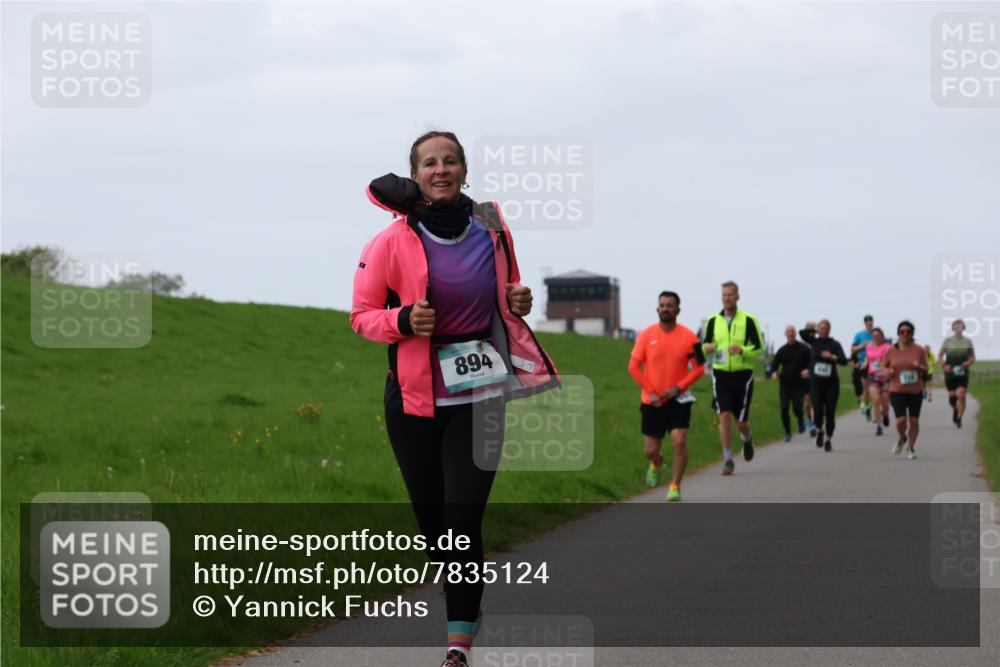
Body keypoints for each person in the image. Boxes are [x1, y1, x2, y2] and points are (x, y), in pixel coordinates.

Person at [351, 131, 559, 667]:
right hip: (413, 399)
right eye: (429, 163)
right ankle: (463, 596)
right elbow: (361, 316)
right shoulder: (389, 241)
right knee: (435, 527)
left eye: (450, 161)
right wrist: (402, 320)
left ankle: (457, 645)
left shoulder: (491, 226)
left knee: (462, 521)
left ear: (465, 170)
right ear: (415, 175)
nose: (440, 170)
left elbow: (509, 291)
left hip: (480, 393)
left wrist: (519, 299)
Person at [628, 291, 705, 501]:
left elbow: (699, 369)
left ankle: (675, 485)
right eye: (662, 305)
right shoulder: (646, 335)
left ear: (678, 310)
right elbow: (633, 367)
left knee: (679, 441)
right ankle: (655, 462)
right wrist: (651, 392)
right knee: (650, 450)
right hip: (652, 402)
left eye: (670, 305)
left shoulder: (690, 337)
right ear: (657, 309)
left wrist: (678, 387)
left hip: (678, 400)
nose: (665, 309)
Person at [701, 281, 765, 475]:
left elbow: (760, 349)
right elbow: (703, 347)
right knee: (724, 415)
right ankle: (728, 459)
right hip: (720, 373)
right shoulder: (712, 321)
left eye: (730, 294)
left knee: (741, 423)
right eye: (724, 295)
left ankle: (747, 438)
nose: (727, 298)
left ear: (737, 296)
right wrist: (707, 348)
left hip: (742, 375)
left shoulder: (749, 320)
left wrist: (742, 350)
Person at [800, 320, 849, 451]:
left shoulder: (835, 344)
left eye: (826, 328)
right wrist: (815, 330)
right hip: (816, 384)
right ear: (818, 330)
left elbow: (844, 361)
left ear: (829, 330)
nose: (824, 331)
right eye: (821, 328)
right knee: (817, 411)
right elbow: (802, 333)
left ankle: (828, 439)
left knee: (830, 412)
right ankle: (820, 431)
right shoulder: (814, 342)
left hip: (831, 384)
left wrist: (832, 357)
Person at [883, 320, 927, 460]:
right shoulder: (891, 350)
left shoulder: (919, 350)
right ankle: (902, 438)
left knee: (914, 421)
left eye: (908, 331)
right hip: (897, 389)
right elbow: (884, 366)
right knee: (901, 420)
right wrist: (888, 371)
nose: (905, 334)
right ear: (898, 333)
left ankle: (911, 448)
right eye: (902, 331)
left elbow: (926, 369)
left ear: (912, 333)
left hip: (915, 390)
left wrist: (919, 367)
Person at [769, 324, 812, 442]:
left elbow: (811, 362)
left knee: (797, 409)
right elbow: (774, 365)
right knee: (784, 408)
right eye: (788, 331)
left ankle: (800, 420)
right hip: (785, 385)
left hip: (799, 384)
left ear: (795, 333)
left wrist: (808, 370)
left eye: (792, 331)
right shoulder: (782, 350)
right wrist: (774, 372)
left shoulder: (804, 349)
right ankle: (788, 433)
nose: (791, 333)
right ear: (785, 334)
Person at [939, 319, 977, 428]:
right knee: (952, 399)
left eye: (960, 325)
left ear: (963, 328)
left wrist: (967, 363)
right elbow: (940, 355)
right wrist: (944, 365)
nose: (958, 327)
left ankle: (959, 418)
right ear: (953, 328)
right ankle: (956, 409)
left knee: (961, 395)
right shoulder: (947, 341)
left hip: (962, 373)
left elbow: (973, 358)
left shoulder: (968, 341)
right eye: (956, 325)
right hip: (950, 372)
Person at [862, 327, 892, 436]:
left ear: (882, 336)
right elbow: (868, 358)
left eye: (878, 335)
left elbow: (891, 359)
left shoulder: (887, 347)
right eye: (874, 335)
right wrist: (864, 364)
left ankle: (885, 413)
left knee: (885, 402)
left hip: (884, 376)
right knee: (876, 400)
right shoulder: (869, 347)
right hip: (872, 376)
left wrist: (889, 368)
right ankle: (879, 426)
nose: (876, 337)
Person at [850, 315, 875, 420]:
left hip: (874, 364)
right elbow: (852, 349)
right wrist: (862, 346)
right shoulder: (859, 335)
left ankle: (867, 406)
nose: (869, 323)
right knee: (864, 387)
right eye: (867, 321)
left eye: (870, 321)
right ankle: (864, 405)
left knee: (872, 388)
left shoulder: (876, 334)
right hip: (861, 364)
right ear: (865, 323)